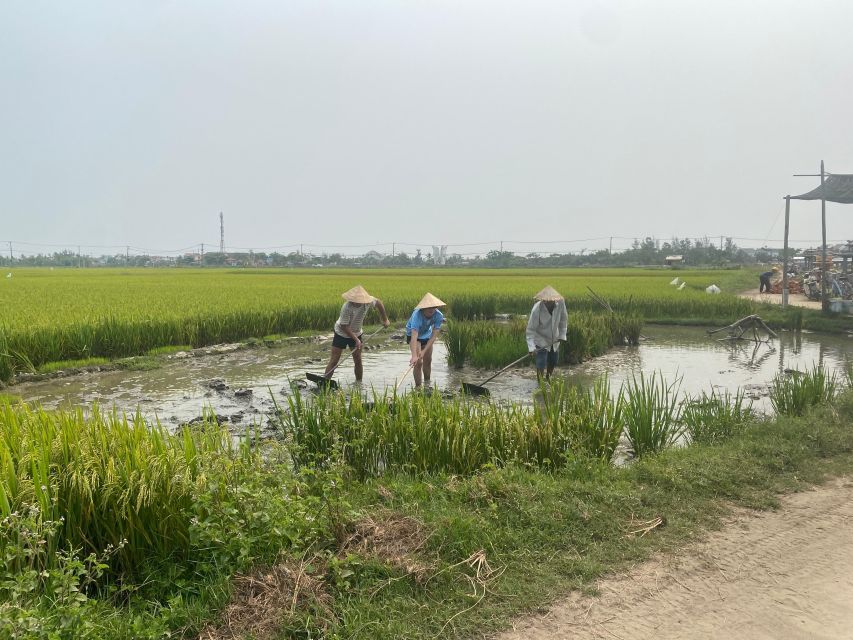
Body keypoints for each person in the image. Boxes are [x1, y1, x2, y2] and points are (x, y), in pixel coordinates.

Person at [323, 285, 390, 381]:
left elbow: (379, 303)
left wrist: (385, 319)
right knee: (334, 360)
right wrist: (356, 340)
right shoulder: (347, 307)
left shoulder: (368, 302)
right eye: (355, 301)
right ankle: (325, 382)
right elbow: (344, 326)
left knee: (358, 360)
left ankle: (359, 384)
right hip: (341, 333)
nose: (356, 303)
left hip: (357, 332)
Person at [525, 285, 568, 380]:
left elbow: (563, 320)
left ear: (555, 299)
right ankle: (540, 383)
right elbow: (530, 330)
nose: (548, 303)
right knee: (541, 362)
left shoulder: (561, 303)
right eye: (546, 301)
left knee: (553, 360)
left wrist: (562, 334)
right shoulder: (537, 309)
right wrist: (531, 347)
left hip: (555, 338)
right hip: (541, 338)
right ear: (543, 300)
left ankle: (548, 378)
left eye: (551, 301)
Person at [405, 293, 446, 388]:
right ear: (423, 308)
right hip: (414, 336)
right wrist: (414, 356)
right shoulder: (417, 315)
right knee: (418, 362)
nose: (431, 309)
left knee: (428, 360)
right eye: (429, 307)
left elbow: (434, 336)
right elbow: (414, 336)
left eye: (434, 307)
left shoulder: (439, 315)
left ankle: (427, 385)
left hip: (427, 335)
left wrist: (424, 351)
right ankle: (418, 388)